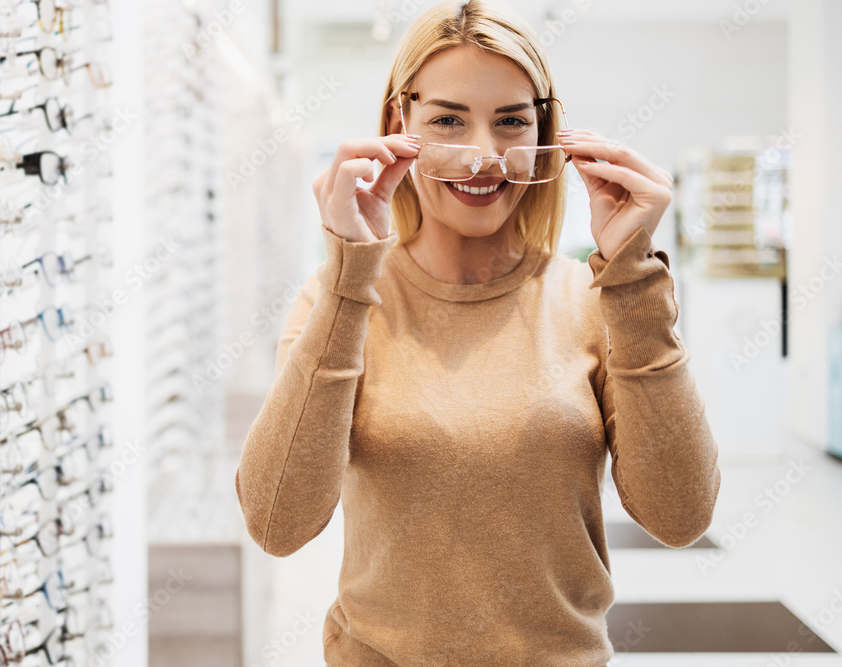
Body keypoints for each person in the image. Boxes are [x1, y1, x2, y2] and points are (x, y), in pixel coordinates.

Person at [234, 0, 721, 664]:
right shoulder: (335, 302)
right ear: (395, 125)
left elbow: (681, 514)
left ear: (547, 132)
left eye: (512, 123)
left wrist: (633, 276)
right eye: (447, 121)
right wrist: (351, 279)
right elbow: (277, 522)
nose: (483, 158)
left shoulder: (593, 300)